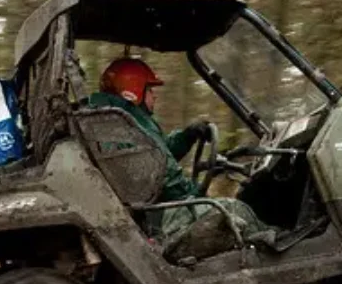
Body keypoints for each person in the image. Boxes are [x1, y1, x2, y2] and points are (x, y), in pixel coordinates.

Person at [88, 57, 274, 259]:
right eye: (150, 90)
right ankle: (275, 255)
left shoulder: (121, 123)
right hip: (158, 218)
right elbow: (168, 180)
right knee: (236, 209)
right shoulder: (127, 125)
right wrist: (196, 195)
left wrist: (187, 136)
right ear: (132, 92)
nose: (155, 96)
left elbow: (157, 156)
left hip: (150, 211)